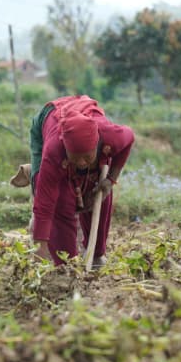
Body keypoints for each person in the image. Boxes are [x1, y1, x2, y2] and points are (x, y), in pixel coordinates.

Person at [30, 95, 134, 267]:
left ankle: (97, 254)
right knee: (60, 201)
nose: (81, 162)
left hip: (85, 124)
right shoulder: (54, 151)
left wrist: (110, 179)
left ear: (96, 145)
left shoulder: (111, 137)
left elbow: (129, 139)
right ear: (65, 148)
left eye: (87, 157)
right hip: (48, 120)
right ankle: (66, 265)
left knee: (97, 192)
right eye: (76, 157)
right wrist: (40, 247)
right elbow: (45, 204)